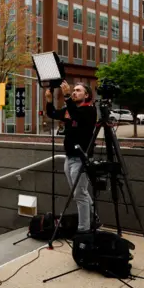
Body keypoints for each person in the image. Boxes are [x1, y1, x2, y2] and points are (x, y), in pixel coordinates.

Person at [45, 81, 98, 234]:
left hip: (81, 159)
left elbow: (77, 115)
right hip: (69, 158)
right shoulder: (71, 109)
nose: (74, 92)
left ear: (86, 95)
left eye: (78, 91)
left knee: (79, 195)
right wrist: (49, 100)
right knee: (81, 193)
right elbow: (53, 114)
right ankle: (95, 218)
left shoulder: (89, 110)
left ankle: (84, 231)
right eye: (73, 90)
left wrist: (67, 96)